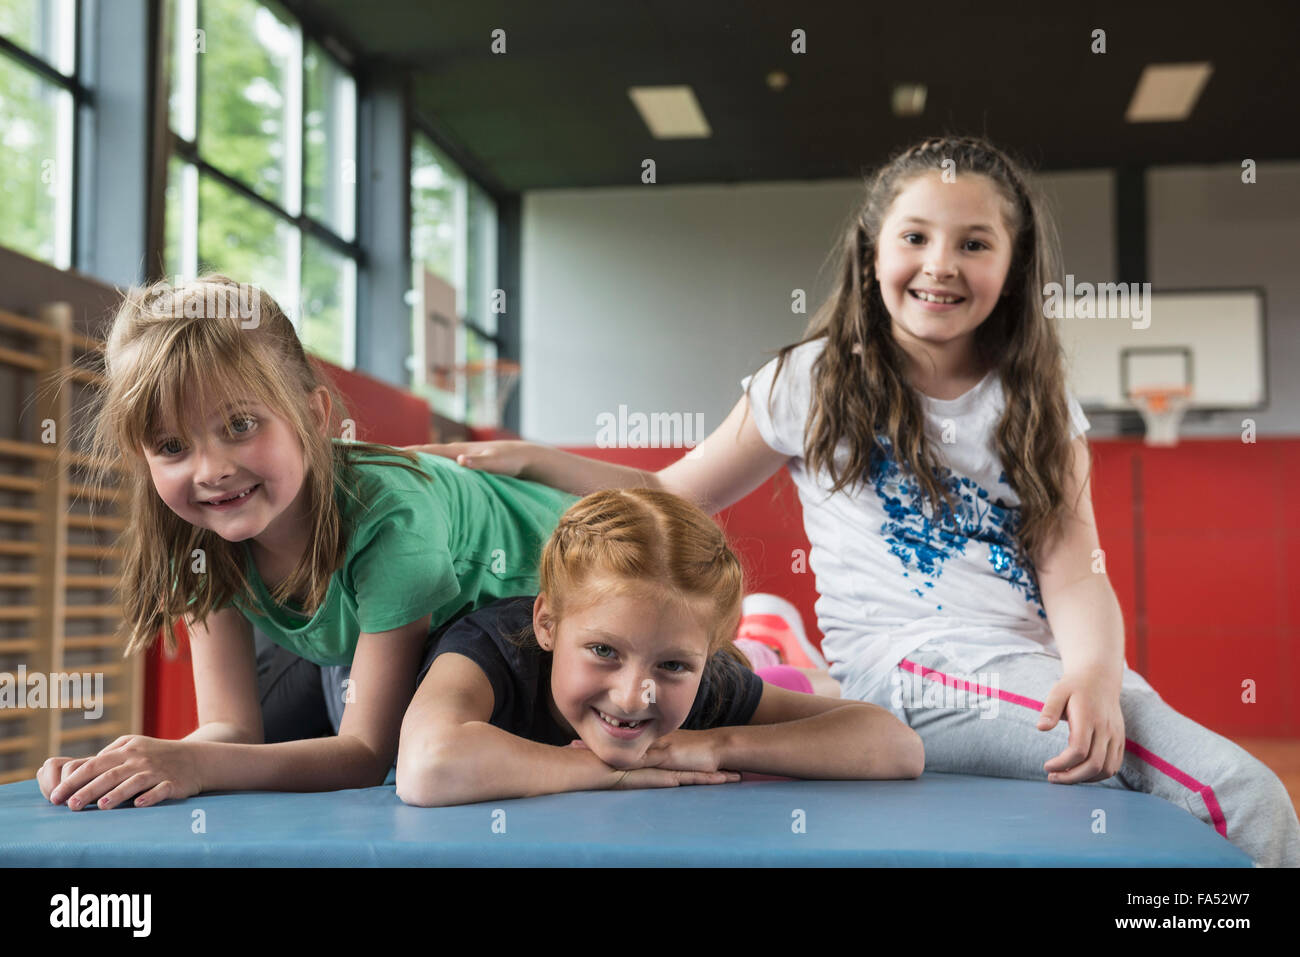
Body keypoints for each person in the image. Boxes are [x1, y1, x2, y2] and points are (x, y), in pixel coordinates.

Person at [409, 135, 1300, 865]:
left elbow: (1077, 571)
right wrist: (533, 457)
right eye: (914, 236)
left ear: (1015, 262)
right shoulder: (814, 380)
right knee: (1243, 797)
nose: (939, 265)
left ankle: (774, 641)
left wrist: (1099, 673)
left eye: (974, 243)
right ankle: (778, 642)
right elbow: (671, 494)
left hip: (1019, 668)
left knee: (1151, 774)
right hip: (908, 666)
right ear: (873, 249)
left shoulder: (1037, 400)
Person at [37, 275, 576, 811]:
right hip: (395, 632)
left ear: (314, 417)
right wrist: (130, 765)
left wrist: (196, 764)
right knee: (276, 740)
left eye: (240, 424)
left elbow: (365, 755)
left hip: (553, 597)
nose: (212, 471)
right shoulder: (194, 542)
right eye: (172, 446)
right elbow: (230, 727)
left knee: (419, 761)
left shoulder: (391, 520)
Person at [395, 488, 923, 807]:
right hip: (325, 673)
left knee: (765, 680)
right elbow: (426, 767)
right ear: (548, 624)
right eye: (603, 651)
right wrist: (608, 773)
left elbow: (898, 748)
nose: (630, 697)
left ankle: (766, 640)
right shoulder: (486, 649)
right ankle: (766, 645)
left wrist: (718, 746)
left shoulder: (707, 681)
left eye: (672, 664)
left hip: (726, 663)